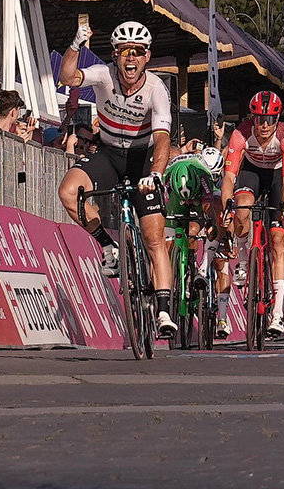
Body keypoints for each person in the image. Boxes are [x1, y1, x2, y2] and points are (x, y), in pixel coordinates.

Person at [56, 21, 176, 334]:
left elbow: (163, 138)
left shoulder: (156, 90)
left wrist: (156, 174)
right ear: (116, 55)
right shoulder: (102, 74)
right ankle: (108, 245)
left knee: (154, 239)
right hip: (108, 152)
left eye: (137, 52)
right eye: (125, 52)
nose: (131, 58)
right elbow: (67, 77)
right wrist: (75, 44)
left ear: (147, 56)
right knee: (69, 191)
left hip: (142, 160)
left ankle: (163, 312)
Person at [221, 90, 284, 338]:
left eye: (270, 119)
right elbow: (230, 177)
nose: (264, 125)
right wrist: (226, 208)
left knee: (277, 238)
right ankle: (243, 265)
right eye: (259, 119)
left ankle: (278, 313)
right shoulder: (241, 134)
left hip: (276, 177)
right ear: (252, 117)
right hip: (251, 172)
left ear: (278, 119)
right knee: (241, 208)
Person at [161, 148, 231, 338]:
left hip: (201, 198)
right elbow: (159, 205)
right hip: (175, 198)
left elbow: (208, 204)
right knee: (165, 245)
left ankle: (193, 267)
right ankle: (174, 275)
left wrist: (210, 223)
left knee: (195, 229)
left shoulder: (205, 176)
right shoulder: (166, 176)